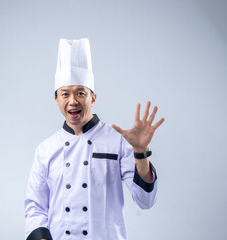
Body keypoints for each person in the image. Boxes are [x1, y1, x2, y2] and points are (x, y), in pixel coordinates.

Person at [24, 38, 165, 240]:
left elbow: (145, 201)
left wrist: (141, 153)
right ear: (56, 99)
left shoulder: (117, 141)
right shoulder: (46, 149)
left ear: (93, 98)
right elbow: (35, 207)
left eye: (80, 93)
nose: (73, 101)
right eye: (65, 94)